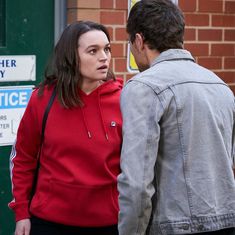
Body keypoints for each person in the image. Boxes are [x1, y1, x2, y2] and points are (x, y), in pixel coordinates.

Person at [118, 0, 235, 235]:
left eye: (130, 42)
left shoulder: (144, 87)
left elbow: (137, 184)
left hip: (173, 226)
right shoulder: (220, 85)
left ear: (139, 41)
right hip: (227, 221)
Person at [9, 21, 122, 235]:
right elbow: (23, 159)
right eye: (93, 51)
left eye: (107, 49)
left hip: (109, 224)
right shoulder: (42, 99)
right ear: (71, 56)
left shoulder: (125, 99)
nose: (104, 57)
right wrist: (21, 213)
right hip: (49, 223)